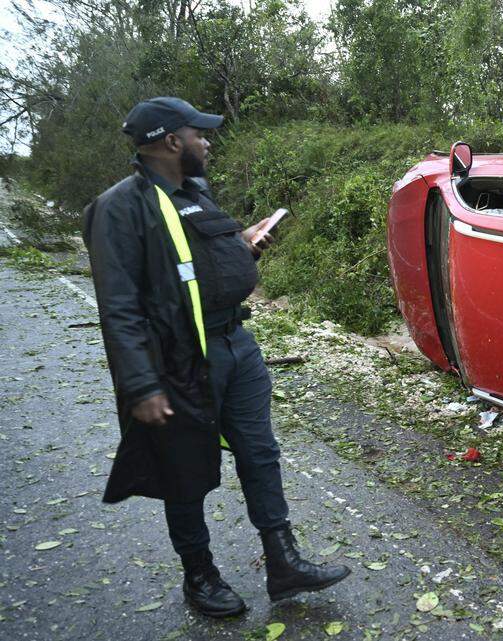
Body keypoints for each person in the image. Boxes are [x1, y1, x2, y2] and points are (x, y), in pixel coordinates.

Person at [82, 97, 349, 617]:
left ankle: (284, 562)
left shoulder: (195, 191)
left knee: (260, 453)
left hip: (236, 346)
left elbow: (199, 258)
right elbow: (118, 306)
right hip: (177, 361)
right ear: (170, 141)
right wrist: (141, 385)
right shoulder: (119, 207)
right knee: (183, 469)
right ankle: (200, 577)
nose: (207, 141)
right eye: (199, 133)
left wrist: (243, 244)